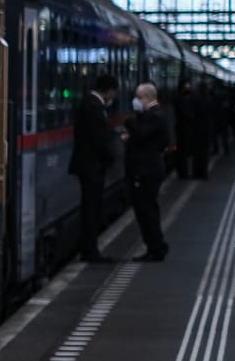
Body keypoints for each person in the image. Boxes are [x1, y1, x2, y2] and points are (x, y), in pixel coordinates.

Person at [69, 73, 119, 262]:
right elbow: (98, 139)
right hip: (91, 166)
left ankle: (90, 249)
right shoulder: (93, 107)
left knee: (92, 207)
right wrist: (110, 157)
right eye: (113, 92)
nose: (112, 96)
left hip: (89, 165)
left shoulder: (90, 104)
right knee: (91, 209)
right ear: (108, 91)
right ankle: (90, 251)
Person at [124, 82, 173, 262]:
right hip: (149, 168)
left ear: (148, 97)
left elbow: (142, 134)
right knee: (147, 210)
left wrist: (129, 122)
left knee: (146, 211)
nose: (136, 101)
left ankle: (156, 248)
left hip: (146, 170)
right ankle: (155, 246)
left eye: (138, 97)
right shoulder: (155, 115)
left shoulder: (154, 116)